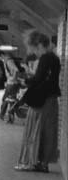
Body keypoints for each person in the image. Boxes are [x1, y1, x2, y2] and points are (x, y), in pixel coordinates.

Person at [14, 31, 61, 172]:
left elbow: (39, 79)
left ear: (40, 45)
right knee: (47, 132)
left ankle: (30, 162)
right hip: (52, 99)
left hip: (42, 101)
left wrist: (26, 80)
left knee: (34, 130)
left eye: (34, 49)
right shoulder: (55, 58)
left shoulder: (45, 58)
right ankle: (43, 163)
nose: (34, 52)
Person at [0, 52, 23, 119]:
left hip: (12, 83)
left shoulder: (9, 61)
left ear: (1, 55)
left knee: (8, 99)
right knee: (9, 100)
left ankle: (8, 116)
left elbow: (16, 70)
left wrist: (13, 79)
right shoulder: (6, 61)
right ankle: (6, 115)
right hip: (10, 83)